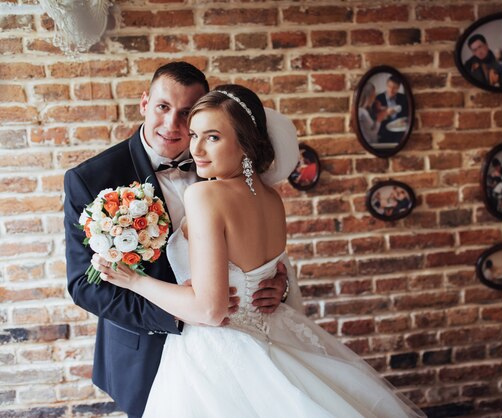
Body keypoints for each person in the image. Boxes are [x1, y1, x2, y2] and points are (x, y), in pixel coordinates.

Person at [92, 85, 425, 417]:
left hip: (218, 353)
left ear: (246, 143)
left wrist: (134, 281)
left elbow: (210, 310)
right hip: (274, 332)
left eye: (213, 137)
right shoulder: (272, 199)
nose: (197, 148)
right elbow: (265, 271)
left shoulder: (204, 196)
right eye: (195, 135)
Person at [63, 62, 301, 418]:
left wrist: (273, 285)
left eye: (186, 113)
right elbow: (84, 284)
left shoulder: (217, 161)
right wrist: (180, 314)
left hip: (237, 350)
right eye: (162, 107)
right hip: (144, 349)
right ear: (145, 103)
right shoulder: (92, 178)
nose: (173, 125)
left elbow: (254, 251)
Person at [373, 75, 409, 143]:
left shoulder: (403, 98)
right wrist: (386, 113)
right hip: (384, 132)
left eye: (394, 88)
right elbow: (374, 117)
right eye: (389, 87)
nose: (391, 90)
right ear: (386, 86)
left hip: (400, 132)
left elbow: (406, 115)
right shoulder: (378, 98)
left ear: (398, 88)